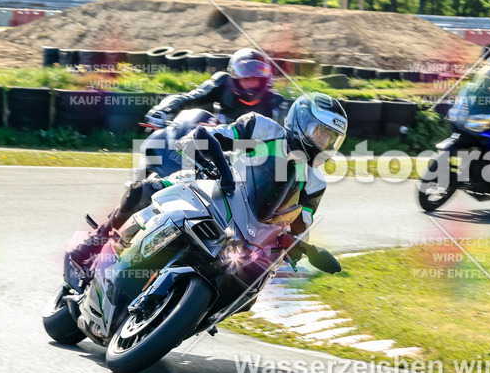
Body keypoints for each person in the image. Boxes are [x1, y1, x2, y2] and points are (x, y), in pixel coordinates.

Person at [65, 92, 348, 288]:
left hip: (250, 231)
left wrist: (300, 246)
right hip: (216, 187)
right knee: (143, 191)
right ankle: (94, 242)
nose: (324, 143)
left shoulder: (316, 182)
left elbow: (301, 222)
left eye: (331, 139)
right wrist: (208, 155)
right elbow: (215, 135)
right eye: (321, 133)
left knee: (253, 282)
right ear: (300, 122)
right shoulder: (263, 129)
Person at [143, 48, 289, 128]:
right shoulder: (222, 83)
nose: (250, 84)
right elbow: (189, 98)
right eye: (245, 78)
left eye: (254, 78)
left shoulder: (277, 103)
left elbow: (286, 135)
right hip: (217, 147)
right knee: (199, 118)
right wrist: (163, 110)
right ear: (235, 78)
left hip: (256, 156)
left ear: (263, 80)